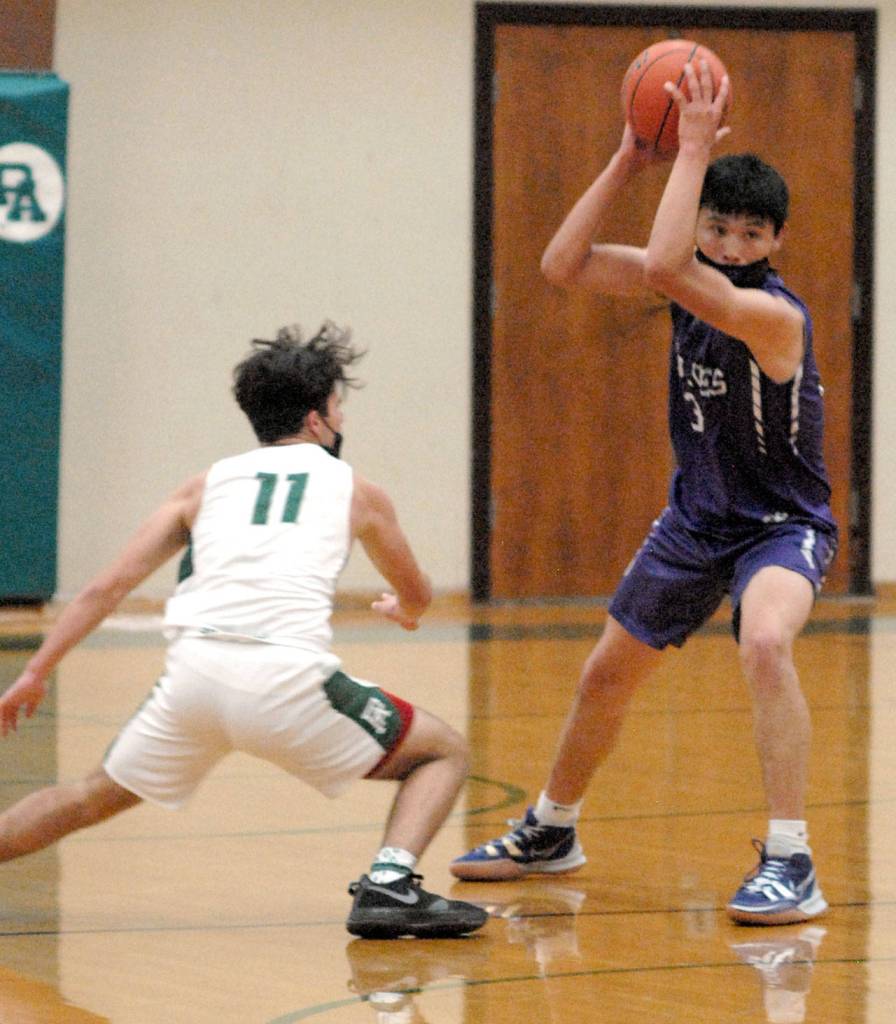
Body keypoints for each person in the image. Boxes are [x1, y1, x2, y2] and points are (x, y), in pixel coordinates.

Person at [451, 62, 837, 926]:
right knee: (603, 677)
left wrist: (692, 148)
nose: (732, 245)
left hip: (779, 526)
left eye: (750, 234)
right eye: (720, 229)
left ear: (775, 244)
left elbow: (665, 262)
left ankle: (791, 856)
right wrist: (630, 159)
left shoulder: (775, 317)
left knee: (766, 641)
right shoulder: (684, 280)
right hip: (696, 522)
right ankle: (552, 829)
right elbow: (562, 262)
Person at [0, 322, 487, 940]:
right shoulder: (357, 490)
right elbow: (417, 592)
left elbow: (105, 590)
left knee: (88, 796)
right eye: (338, 406)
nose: (341, 418)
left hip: (193, 679)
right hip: (287, 681)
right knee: (443, 751)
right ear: (317, 420)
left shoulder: (203, 486)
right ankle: (390, 883)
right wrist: (403, 610)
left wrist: (35, 673)